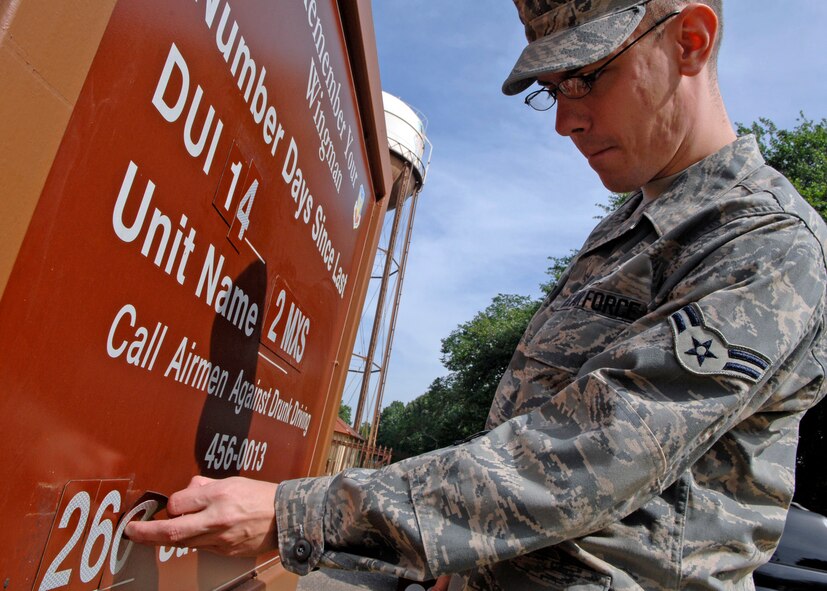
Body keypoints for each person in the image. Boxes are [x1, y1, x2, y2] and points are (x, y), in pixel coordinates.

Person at [127, 0, 827, 588]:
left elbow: (589, 455)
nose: (564, 121)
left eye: (585, 77)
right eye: (552, 90)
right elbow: (530, 424)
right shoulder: (628, 228)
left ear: (690, 41)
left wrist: (298, 514)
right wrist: (458, 559)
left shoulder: (765, 242)